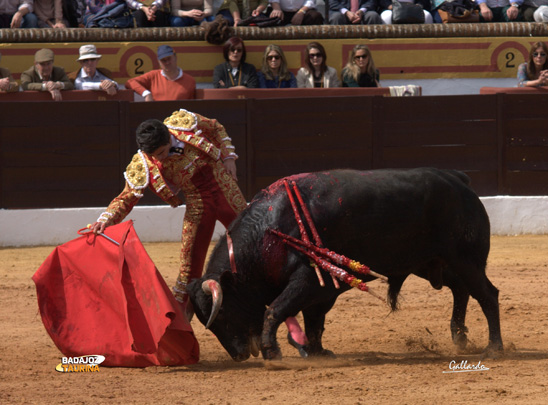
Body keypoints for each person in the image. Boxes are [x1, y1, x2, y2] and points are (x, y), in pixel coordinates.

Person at [89, 109, 247, 305]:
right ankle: (182, 315)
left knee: (255, 239)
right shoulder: (143, 163)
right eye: (155, 155)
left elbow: (215, 127)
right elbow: (126, 198)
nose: (160, 159)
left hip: (226, 189)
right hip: (198, 204)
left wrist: (229, 157)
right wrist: (104, 219)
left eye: (162, 152)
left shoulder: (183, 122)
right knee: (188, 267)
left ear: (169, 138)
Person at [125, 45, 196, 101]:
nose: (167, 62)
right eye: (163, 60)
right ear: (159, 62)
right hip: (157, 117)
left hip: (179, 118)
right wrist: (146, 93)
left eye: (169, 58)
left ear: (175, 57)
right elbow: (130, 82)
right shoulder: (153, 76)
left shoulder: (190, 81)